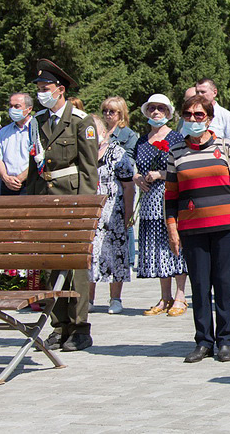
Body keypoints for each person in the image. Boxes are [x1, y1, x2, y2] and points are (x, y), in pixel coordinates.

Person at [166, 94, 230, 363]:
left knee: (225, 284)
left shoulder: (225, 147)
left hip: (226, 226)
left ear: (210, 118)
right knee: (200, 286)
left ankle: (225, 341)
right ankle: (203, 341)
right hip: (192, 228)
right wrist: (173, 229)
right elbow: (170, 196)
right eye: (188, 115)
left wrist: (225, 210)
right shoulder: (175, 151)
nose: (193, 119)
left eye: (198, 115)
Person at [28, 59, 99, 352]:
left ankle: (80, 327)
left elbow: (88, 168)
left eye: (46, 88)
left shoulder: (81, 121)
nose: (41, 93)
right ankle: (59, 326)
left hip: (72, 199)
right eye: (39, 89)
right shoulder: (37, 121)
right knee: (51, 265)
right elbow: (35, 165)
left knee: (75, 267)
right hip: (47, 200)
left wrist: (84, 209)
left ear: (60, 90)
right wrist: (33, 205)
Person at [134, 94, 188, 317]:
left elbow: (182, 169)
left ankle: (180, 296)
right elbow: (136, 167)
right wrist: (137, 177)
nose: (156, 112)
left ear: (168, 112)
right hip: (148, 203)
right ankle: (164, 296)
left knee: (174, 246)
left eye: (161, 109)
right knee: (156, 250)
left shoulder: (176, 138)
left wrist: (161, 174)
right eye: (153, 108)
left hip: (168, 199)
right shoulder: (141, 140)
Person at [88, 115, 134, 314]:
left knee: (115, 254)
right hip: (90, 214)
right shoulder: (84, 153)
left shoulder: (117, 152)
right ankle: (88, 300)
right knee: (89, 256)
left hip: (113, 211)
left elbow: (128, 184)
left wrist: (128, 212)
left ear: (104, 132)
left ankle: (115, 299)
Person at [0, 94, 35, 196]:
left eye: (17, 106)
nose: (12, 109)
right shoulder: (4, 131)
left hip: (29, 184)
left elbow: (38, 158)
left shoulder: (37, 129)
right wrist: (5, 177)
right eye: (10, 106)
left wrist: (20, 178)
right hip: (6, 185)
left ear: (29, 109)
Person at [193, 78, 230, 153]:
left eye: (203, 92)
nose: (199, 95)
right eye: (197, 92)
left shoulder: (225, 115)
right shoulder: (190, 115)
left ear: (214, 93)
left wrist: (216, 154)